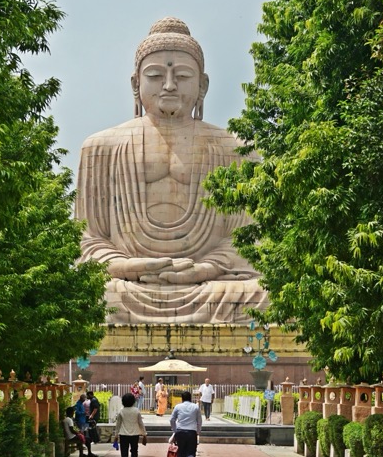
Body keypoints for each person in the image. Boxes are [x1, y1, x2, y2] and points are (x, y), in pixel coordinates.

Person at [75, 17, 269, 324]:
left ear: (202, 85)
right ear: (135, 84)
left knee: (266, 294)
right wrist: (131, 267)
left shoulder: (236, 148)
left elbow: (248, 240)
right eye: (154, 75)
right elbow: (88, 240)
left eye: (182, 75)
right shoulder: (101, 146)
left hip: (211, 285)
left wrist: (204, 269)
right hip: (127, 286)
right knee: (86, 295)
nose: (168, 85)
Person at [112, 392, 148, 457]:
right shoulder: (136, 411)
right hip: (135, 434)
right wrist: (144, 434)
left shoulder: (121, 411)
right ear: (133, 401)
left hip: (123, 435)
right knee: (134, 451)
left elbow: (118, 424)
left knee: (124, 453)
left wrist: (116, 435)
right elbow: (140, 423)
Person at [169, 390, 202, 457]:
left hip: (180, 431)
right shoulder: (195, 407)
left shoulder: (178, 407)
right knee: (191, 450)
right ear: (190, 398)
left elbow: (172, 419)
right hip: (192, 431)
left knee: (181, 451)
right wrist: (198, 431)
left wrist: (175, 430)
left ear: (182, 399)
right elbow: (199, 421)